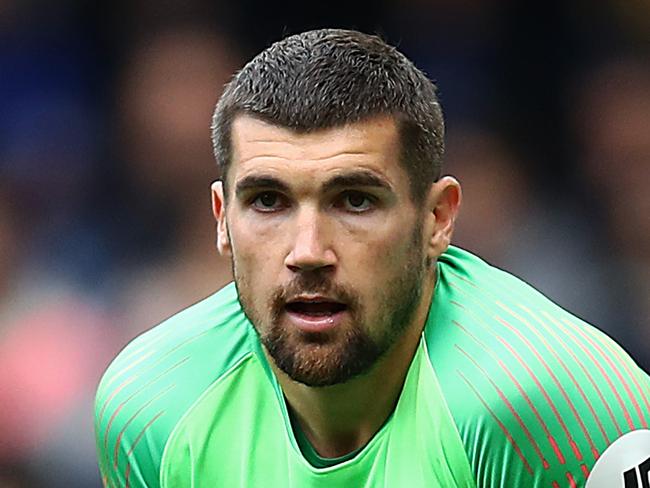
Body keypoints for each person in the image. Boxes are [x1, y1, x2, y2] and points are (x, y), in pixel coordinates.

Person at [95, 29, 650, 487]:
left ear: (437, 220)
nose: (307, 252)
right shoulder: (154, 411)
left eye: (354, 200)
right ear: (222, 220)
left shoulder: (551, 406)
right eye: (268, 201)